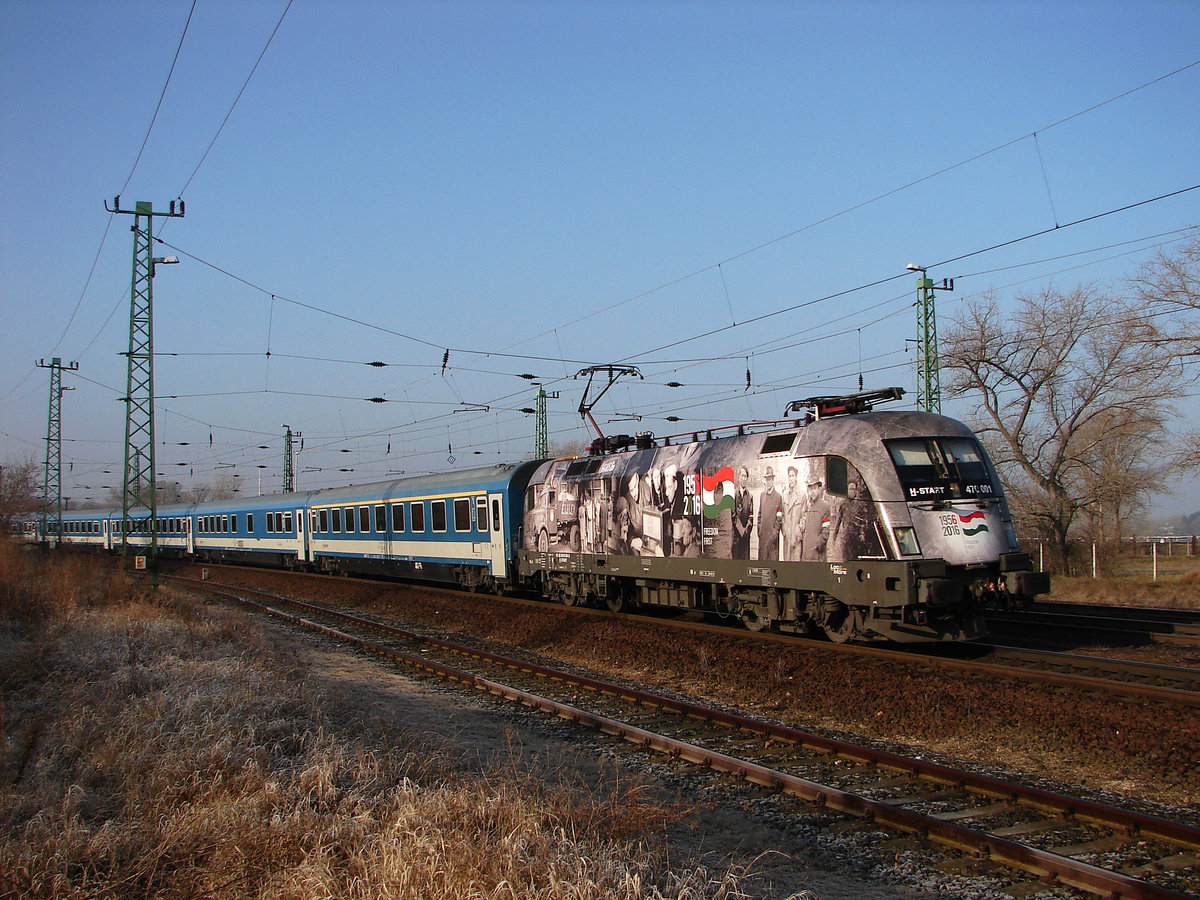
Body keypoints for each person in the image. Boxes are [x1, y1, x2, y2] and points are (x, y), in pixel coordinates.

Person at [799, 473, 832, 561]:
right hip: (806, 554)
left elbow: (826, 531)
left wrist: (817, 544)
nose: (812, 491)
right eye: (810, 489)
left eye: (814, 488)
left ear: (819, 489)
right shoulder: (807, 505)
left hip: (817, 555)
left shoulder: (825, 506)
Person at [757, 466, 783, 560]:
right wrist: (759, 530)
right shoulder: (762, 495)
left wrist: (774, 534)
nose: (768, 482)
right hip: (763, 538)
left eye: (770, 479)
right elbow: (759, 515)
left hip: (773, 540)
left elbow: (779, 518)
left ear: (773, 480)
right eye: (766, 479)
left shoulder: (778, 497)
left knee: (772, 563)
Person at [781, 465, 804, 561]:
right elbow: (782, 515)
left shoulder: (802, 495)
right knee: (787, 563)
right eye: (789, 476)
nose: (791, 478)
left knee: (796, 564)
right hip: (787, 536)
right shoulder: (784, 494)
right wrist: (784, 529)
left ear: (796, 477)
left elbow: (804, 516)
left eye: (793, 476)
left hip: (796, 537)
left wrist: (799, 529)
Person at [732, 465, 753, 559]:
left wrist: (746, 531)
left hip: (746, 537)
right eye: (742, 476)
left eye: (745, 476)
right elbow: (733, 515)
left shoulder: (750, 496)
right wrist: (741, 530)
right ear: (739, 477)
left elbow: (751, 516)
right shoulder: (733, 495)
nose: (744, 479)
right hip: (736, 537)